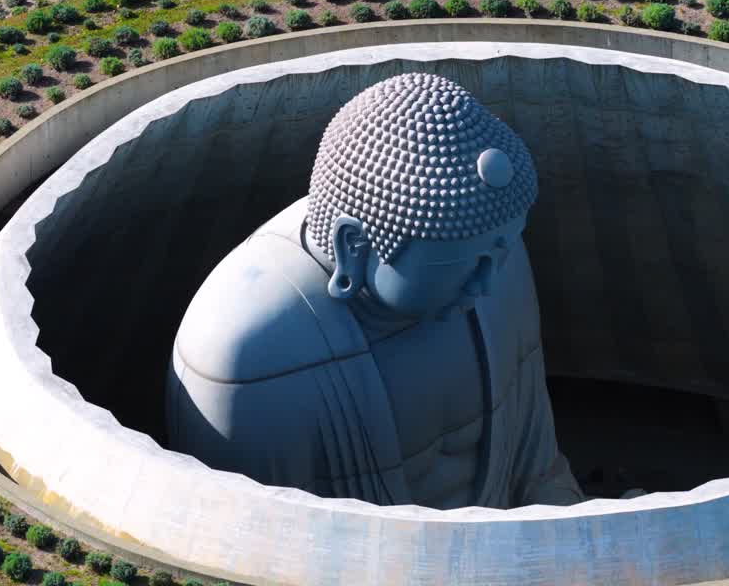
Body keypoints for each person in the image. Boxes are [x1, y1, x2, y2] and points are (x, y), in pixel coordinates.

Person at [166, 73, 582, 509]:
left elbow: (538, 468)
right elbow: (263, 540)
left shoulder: (491, 264)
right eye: (460, 265)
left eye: (502, 252)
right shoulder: (251, 357)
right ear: (355, 248)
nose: (487, 283)